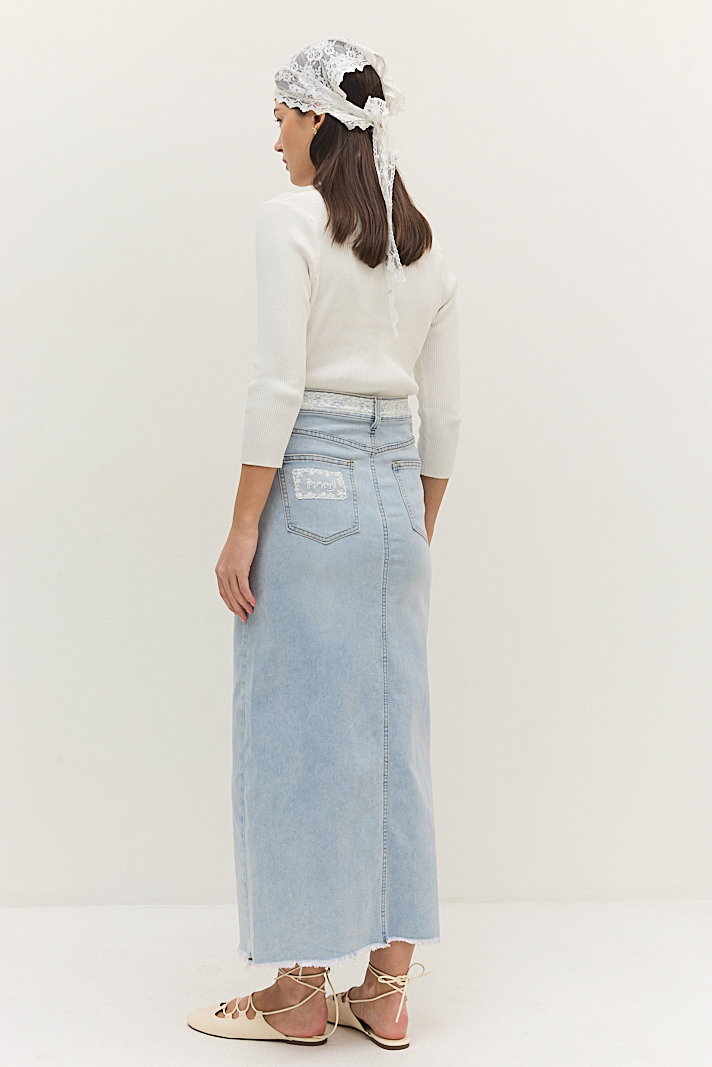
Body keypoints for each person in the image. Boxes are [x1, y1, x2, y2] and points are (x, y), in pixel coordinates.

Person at [187, 37, 460, 1050]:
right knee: (394, 740)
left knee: (297, 735)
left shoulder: (292, 218)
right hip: (397, 495)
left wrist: (243, 524)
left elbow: (277, 381)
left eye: (280, 119)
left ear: (317, 121)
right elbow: (447, 415)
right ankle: (386, 988)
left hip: (308, 489)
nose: (275, 142)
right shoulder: (425, 247)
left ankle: (299, 991)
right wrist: (409, 533)